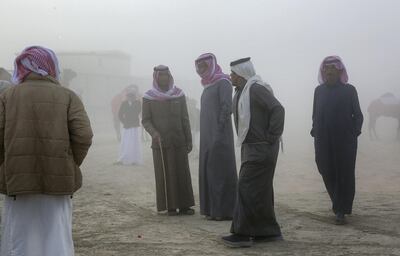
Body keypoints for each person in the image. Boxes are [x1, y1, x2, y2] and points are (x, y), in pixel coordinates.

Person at [0, 46, 93, 256]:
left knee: (21, 238)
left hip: (18, 182)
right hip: (58, 183)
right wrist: (68, 163)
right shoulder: (68, 96)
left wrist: (6, 165)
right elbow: (84, 135)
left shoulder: (7, 96)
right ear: (51, 66)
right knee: (56, 237)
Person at [222, 57, 284, 248]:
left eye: (232, 73)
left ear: (241, 75)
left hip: (261, 148)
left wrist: (271, 138)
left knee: (246, 188)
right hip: (250, 148)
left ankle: (242, 234)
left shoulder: (256, 89)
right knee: (261, 191)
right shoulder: (240, 91)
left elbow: (278, 109)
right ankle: (267, 233)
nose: (230, 76)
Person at [311, 56, 363, 225]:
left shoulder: (349, 90)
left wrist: (352, 133)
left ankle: (341, 209)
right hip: (322, 139)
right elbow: (315, 114)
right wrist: (315, 130)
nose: (329, 71)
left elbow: (358, 116)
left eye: (332, 69)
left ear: (340, 71)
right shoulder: (318, 91)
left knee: (344, 173)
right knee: (325, 168)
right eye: (326, 69)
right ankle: (338, 203)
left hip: (345, 141)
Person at [142, 65, 195, 216]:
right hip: (160, 143)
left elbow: (185, 119)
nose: (164, 78)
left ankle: (185, 206)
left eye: (166, 75)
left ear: (170, 76)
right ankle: (171, 207)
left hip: (179, 140)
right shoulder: (148, 97)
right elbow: (145, 120)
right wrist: (154, 133)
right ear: (156, 78)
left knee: (182, 173)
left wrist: (189, 140)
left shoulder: (179, 94)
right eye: (161, 76)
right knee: (166, 174)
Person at [195, 53, 237, 221]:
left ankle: (224, 211)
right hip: (206, 136)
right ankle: (212, 210)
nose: (200, 70)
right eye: (198, 67)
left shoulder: (223, 82)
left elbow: (227, 108)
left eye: (203, 66)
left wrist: (218, 134)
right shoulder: (207, 85)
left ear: (211, 65)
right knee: (209, 171)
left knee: (220, 172)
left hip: (220, 136)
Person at [117, 86, 143, 165]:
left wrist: (131, 118)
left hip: (134, 126)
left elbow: (137, 112)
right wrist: (124, 121)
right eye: (129, 96)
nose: (130, 97)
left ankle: (134, 159)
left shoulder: (138, 103)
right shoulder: (124, 103)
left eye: (132, 96)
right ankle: (123, 158)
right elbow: (120, 114)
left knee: (134, 142)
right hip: (127, 126)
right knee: (125, 142)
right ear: (127, 96)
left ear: (134, 96)